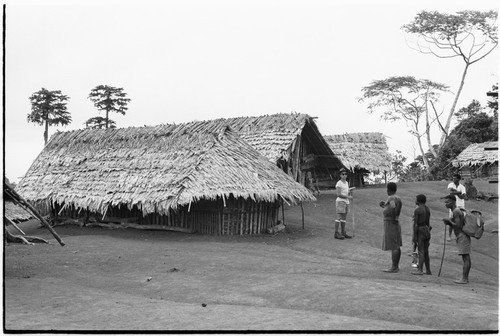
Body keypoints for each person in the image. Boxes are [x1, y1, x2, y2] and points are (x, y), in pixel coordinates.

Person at [442, 194, 470, 284]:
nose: (446, 204)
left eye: (448, 202)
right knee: (465, 257)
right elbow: (456, 225)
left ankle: (464, 279)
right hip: (460, 236)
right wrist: (449, 222)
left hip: (462, 236)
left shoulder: (456, 211)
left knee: (466, 257)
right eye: (445, 202)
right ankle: (465, 278)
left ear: (453, 202)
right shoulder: (455, 211)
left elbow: (458, 225)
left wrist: (449, 220)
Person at [379, 182, 402, 273]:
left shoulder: (392, 198)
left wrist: (394, 218)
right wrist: (384, 205)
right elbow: (392, 206)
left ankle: (394, 267)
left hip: (391, 223)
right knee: (396, 244)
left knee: (394, 245)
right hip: (394, 222)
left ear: (388, 190)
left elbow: (393, 207)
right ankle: (396, 266)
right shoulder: (397, 198)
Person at [411, 194, 432, 275]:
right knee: (426, 251)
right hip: (427, 230)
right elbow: (428, 223)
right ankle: (428, 270)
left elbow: (416, 224)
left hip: (420, 230)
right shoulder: (427, 209)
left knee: (421, 251)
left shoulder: (418, 210)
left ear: (418, 201)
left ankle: (420, 270)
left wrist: (414, 236)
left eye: (416, 199)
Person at [334, 168, 354, 239]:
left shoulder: (346, 183)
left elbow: (346, 191)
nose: (344, 175)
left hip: (346, 202)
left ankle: (343, 232)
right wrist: (348, 196)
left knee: (344, 218)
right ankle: (336, 233)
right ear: (340, 175)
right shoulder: (339, 183)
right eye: (343, 174)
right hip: (340, 201)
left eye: (345, 174)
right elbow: (338, 194)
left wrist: (350, 191)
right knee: (338, 217)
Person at [447, 174, 466, 241]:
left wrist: (455, 192)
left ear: (458, 179)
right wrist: (458, 192)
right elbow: (450, 192)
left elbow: (462, 197)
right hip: (453, 205)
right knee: (451, 220)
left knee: (460, 221)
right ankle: (449, 236)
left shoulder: (462, 187)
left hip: (460, 205)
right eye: (453, 178)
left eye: (455, 178)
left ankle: (457, 235)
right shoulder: (450, 184)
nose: (453, 180)